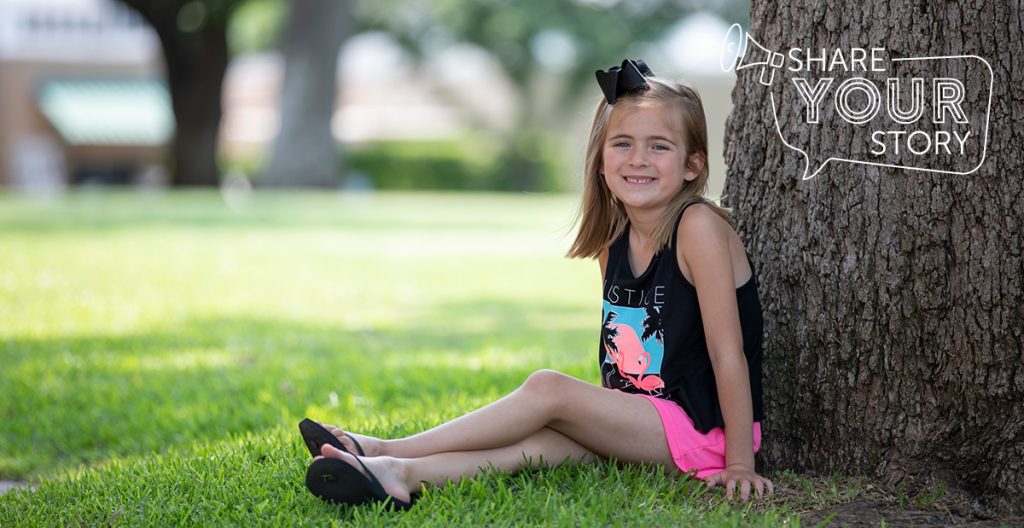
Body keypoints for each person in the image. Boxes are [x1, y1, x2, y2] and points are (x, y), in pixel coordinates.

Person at [301, 58, 773, 510]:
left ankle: (384, 445)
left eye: (659, 146)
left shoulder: (698, 228)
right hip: (643, 420)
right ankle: (397, 473)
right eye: (623, 143)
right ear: (602, 160)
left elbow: (726, 354)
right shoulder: (615, 242)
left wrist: (738, 463)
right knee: (539, 443)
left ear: (692, 165)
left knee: (548, 389)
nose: (639, 159)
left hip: (704, 432)